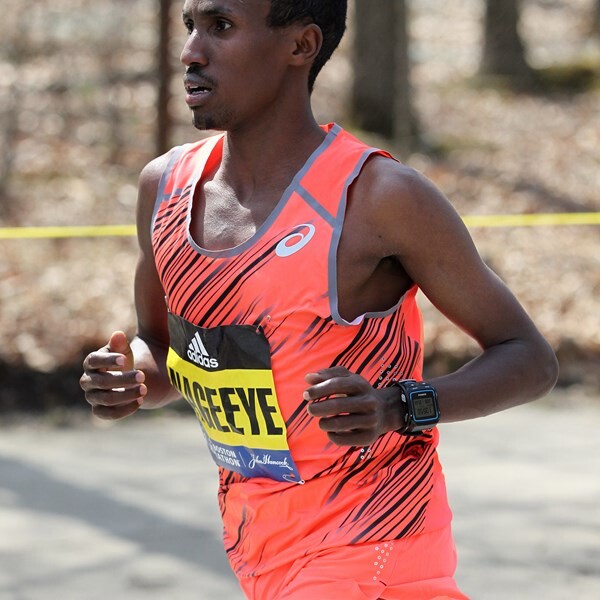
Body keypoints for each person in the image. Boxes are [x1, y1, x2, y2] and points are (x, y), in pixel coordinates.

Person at [80, 1, 559, 598]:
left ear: (301, 46)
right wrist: (130, 379)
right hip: (259, 546)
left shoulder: (377, 197)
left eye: (221, 27)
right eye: (191, 26)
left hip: (373, 540)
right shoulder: (166, 188)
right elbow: (167, 349)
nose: (190, 52)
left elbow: (529, 358)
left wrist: (396, 407)